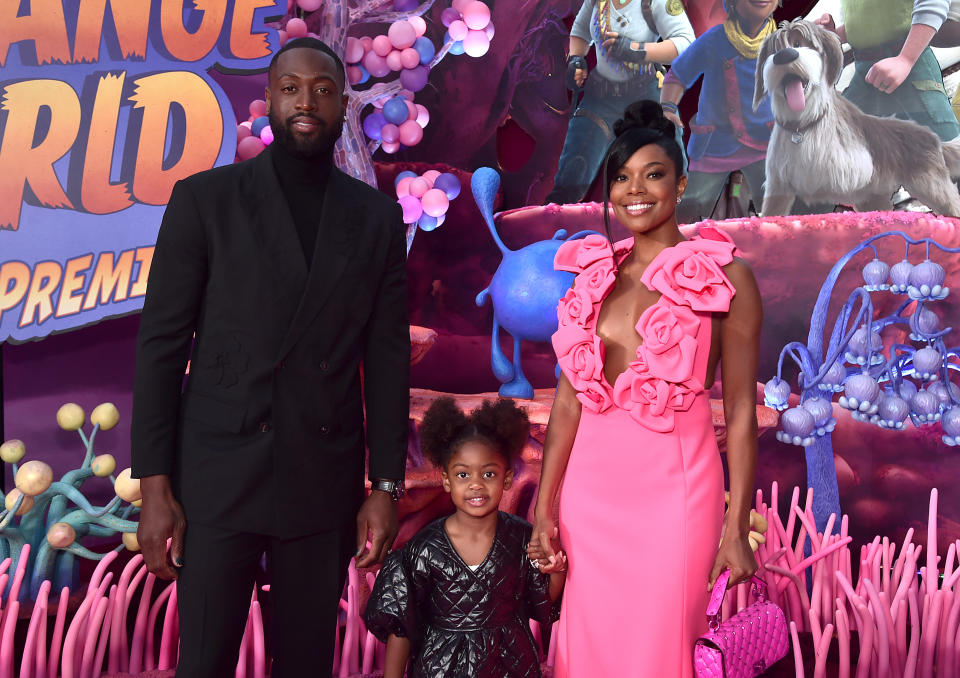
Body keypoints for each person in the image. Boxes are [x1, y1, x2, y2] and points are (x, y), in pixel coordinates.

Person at [131, 37, 410, 677]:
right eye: (290, 89)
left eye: (321, 89)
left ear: (344, 105)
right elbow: (161, 349)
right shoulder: (205, 201)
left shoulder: (375, 218)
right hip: (218, 473)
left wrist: (386, 485)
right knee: (203, 661)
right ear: (268, 101)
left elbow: (389, 358)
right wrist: (155, 486)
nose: (305, 101)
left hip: (320, 475)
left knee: (306, 662)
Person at [529, 100, 762, 677]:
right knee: (587, 650)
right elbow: (566, 406)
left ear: (682, 182)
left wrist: (736, 528)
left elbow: (738, 412)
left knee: (661, 650)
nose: (635, 191)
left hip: (674, 499)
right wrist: (544, 510)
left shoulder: (726, 277)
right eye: (622, 178)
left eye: (653, 174)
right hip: (589, 501)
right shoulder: (594, 273)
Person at [364, 397, 565, 678]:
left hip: (510, 665)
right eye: (462, 474)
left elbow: (540, 602)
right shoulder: (423, 549)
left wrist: (555, 572)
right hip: (440, 668)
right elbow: (402, 624)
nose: (475, 484)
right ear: (446, 480)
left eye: (488, 474)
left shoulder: (522, 538)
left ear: (507, 479)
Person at [544, 0, 695, 205]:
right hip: (600, 96)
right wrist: (577, 60)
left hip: (648, 96)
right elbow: (580, 31)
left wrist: (637, 49)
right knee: (572, 177)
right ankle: (556, 226)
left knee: (671, 179)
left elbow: (686, 43)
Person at [660, 0, 780, 224]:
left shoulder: (782, 43)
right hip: (715, 146)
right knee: (688, 211)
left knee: (779, 213)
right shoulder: (715, 39)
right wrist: (668, 108)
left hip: (766, 147)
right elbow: (678, 73)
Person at [817, 0, 960, 143]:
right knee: (837, 140)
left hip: (909, 66)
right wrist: (834, 34)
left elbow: (933, 2)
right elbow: (870, 20)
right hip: (865, 74)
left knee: (943, 149)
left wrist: (906, 59)